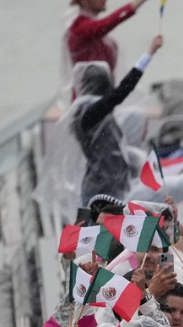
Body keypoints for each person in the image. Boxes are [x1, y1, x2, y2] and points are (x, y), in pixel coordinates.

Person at [66, 35, 163, 204]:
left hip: (108, 186)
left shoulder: (89, 114)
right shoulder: (90, 114)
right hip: (100, 191)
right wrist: (149, 54)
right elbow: (120, 93)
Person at [65, 0, 149, 74]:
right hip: (89, 91)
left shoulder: (92, 28)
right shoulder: (79, 27)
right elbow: (106, 24)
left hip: (104, 89)